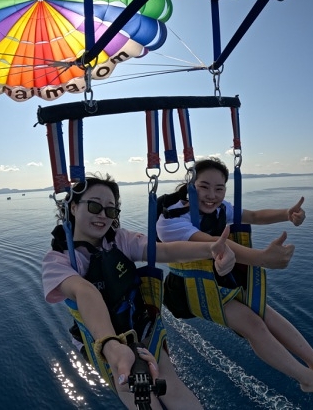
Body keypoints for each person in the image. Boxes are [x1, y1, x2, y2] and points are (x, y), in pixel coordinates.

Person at [156, 157, 313, 394]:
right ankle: (307, 379)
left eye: (219, 189)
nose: (211, 195)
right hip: (187, 291)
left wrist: (286, 213)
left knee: (266, 313)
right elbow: (214, 244)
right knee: (253, 324)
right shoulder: (171, 219)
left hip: (215, 282)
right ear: (190, 186)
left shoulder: (220, 209)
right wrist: (263, 258)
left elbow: (254, 216)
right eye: (203, 186)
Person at [42, 174, 237, 409]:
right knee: (138, 397)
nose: (103, 215)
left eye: (110, 210)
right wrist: (111, 344)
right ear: (73, 207)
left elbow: (165, 251)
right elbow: (85, 291)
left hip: (140, 325)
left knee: (171, 386)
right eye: (94, 206)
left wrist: (211, 249)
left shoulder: (120, 240)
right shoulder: (58, 261)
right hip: (99, 341)